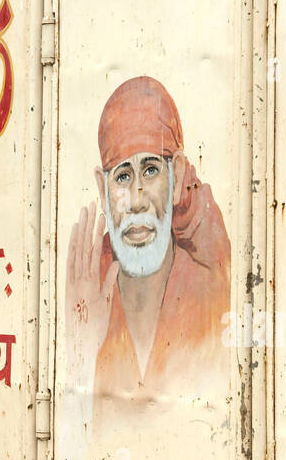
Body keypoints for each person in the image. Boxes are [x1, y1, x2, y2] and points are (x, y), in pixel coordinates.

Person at [65, 76, 230, 426]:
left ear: (177, 175)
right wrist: (81, 350)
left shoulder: (209, 290)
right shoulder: (88, 289)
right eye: (123, 176)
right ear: (102, 187)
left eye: (151, 170)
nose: (137, 199)